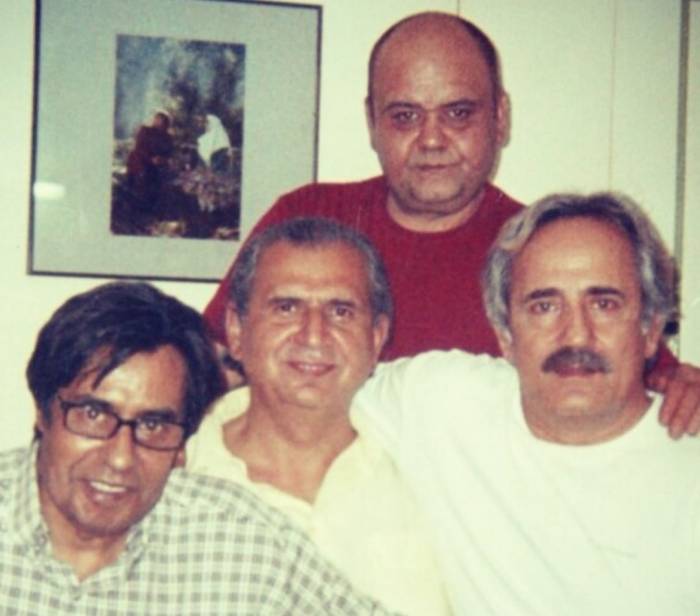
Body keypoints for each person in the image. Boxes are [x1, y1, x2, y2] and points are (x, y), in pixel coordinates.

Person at [202, 11, 700, 433]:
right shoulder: (309, 220)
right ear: (372, 121)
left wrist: (679, 386)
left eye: (458, 113)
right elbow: (214, 362)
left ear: (500, 117)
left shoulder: (544, 252)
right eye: (405, 116)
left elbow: (649, 380)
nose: (432, 139)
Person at [353, 193, 700, 614]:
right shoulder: (442, 402)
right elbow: (307, 393)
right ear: (505, 336)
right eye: (544, 306)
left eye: (604, 304)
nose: (576, 334)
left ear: (651, 330)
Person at [0, 281, 397, 615]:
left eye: (153, 425)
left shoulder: (240, 542)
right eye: (93, 414)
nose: (120, 458)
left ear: (182, 444)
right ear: (42, 411)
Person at [186, 218, 449, 616]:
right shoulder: (171, 476)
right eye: (286, 308)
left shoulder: (433, 473)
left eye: (341, 311)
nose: (313, 335)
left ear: (376, 338)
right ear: (237, 331)